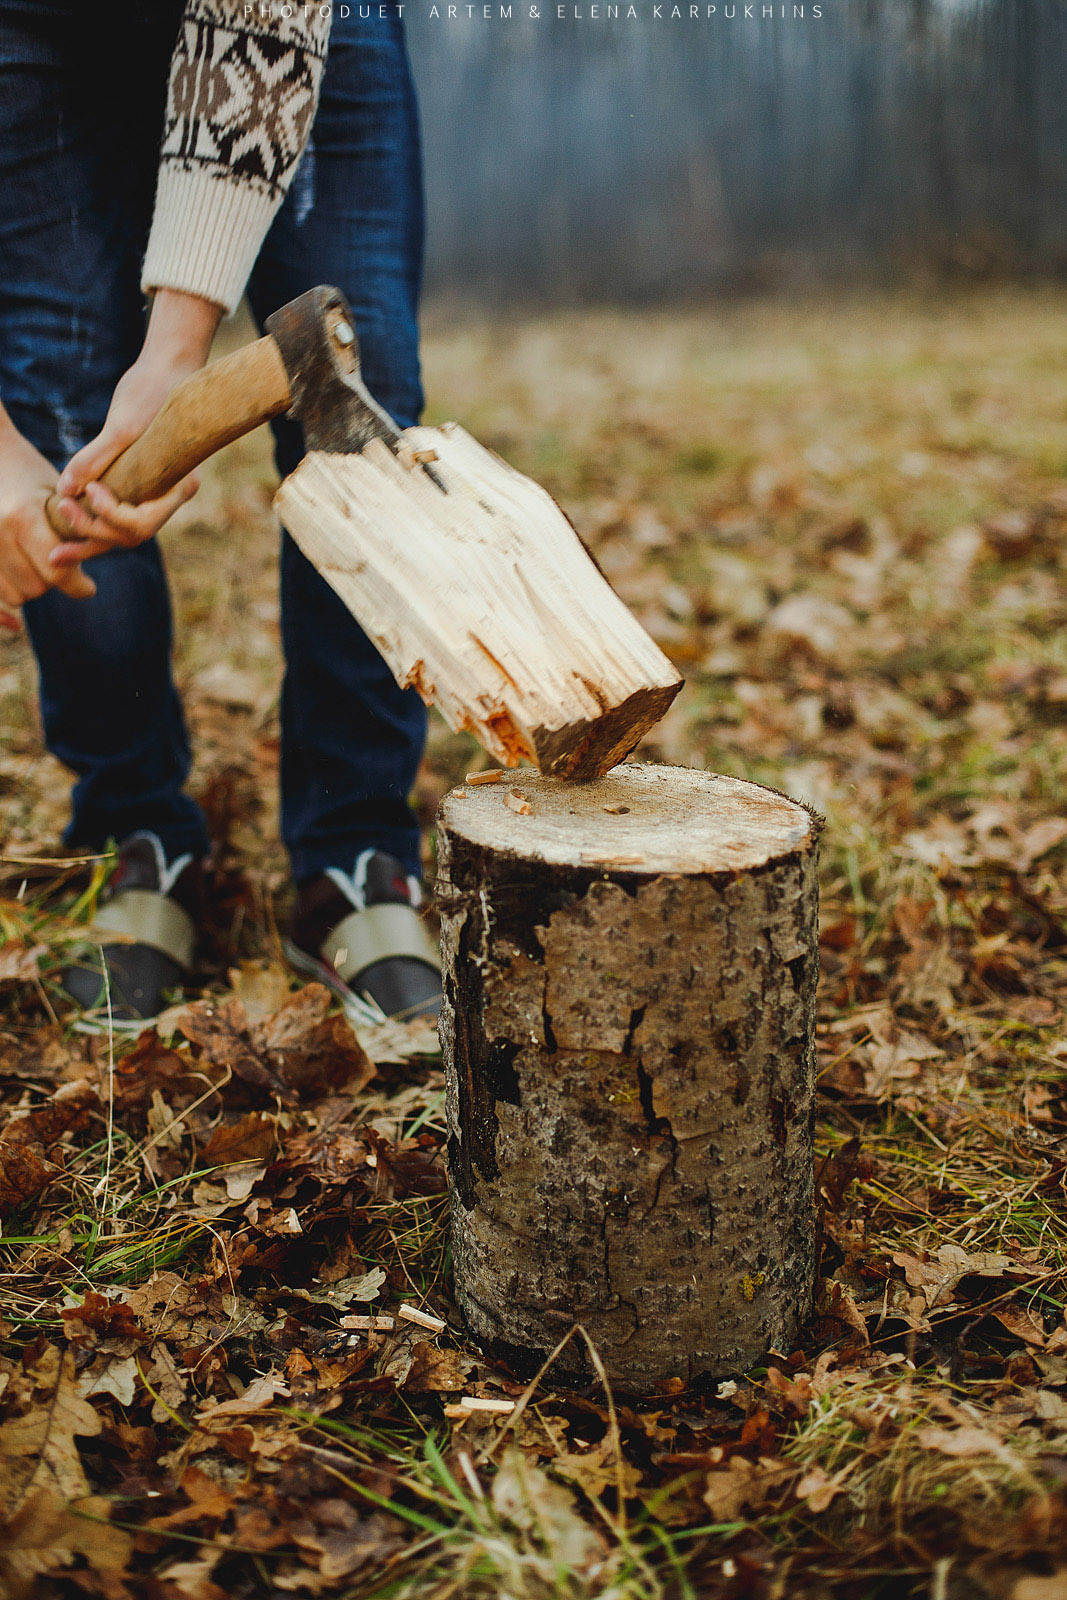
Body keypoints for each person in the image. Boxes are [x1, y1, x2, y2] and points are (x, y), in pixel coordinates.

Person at [0, 0, 441, 1021]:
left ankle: (356, 853)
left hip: (293, 18)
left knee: (357, 404)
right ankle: (134, 838)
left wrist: (176, 350)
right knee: (58, 415)